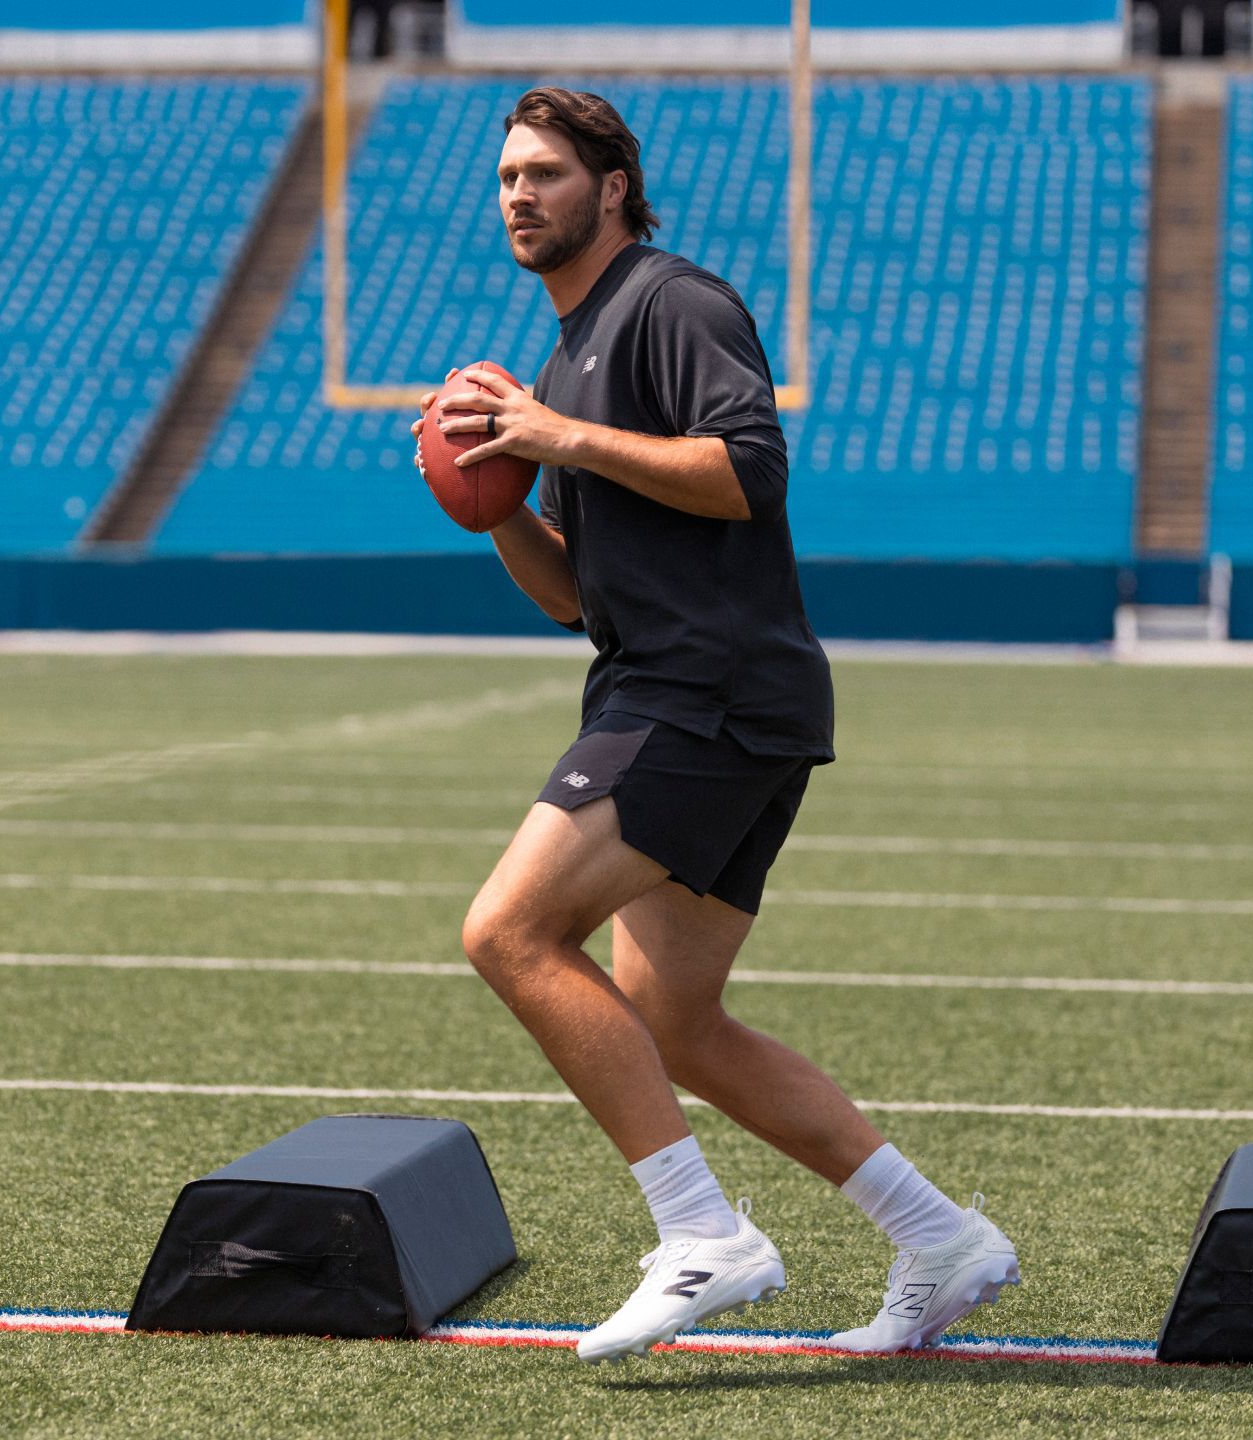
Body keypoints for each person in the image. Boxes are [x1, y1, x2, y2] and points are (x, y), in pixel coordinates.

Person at [410, 85, 1018, 1364]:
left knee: (510, 930)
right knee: (676, 1022)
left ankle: (701, 1234)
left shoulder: (671, 302)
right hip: (680, 684)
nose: (520, 195)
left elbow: (749, 471)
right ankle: (942, 1238)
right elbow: (578, 594)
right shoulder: (567, 352)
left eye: (547, 174)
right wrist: (501, 505)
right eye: (507, 178)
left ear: (614, 186)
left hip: (709, 692)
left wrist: (556, 431)